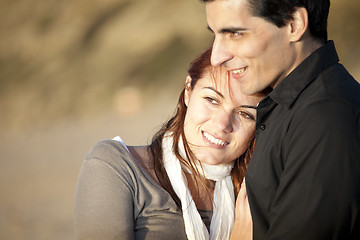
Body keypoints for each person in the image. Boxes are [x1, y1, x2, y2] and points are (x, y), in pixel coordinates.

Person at [202, 0, 360, 239]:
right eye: (215, 35)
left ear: (294, 24)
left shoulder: (325, 119)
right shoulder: (285, 104)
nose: (216, 57)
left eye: (234, 34)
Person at [74, 48, 269, 240]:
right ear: (188, 91)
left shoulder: (255, 193)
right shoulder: (116, 166)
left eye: (245, 114)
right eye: (211, 100)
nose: (222, 124)